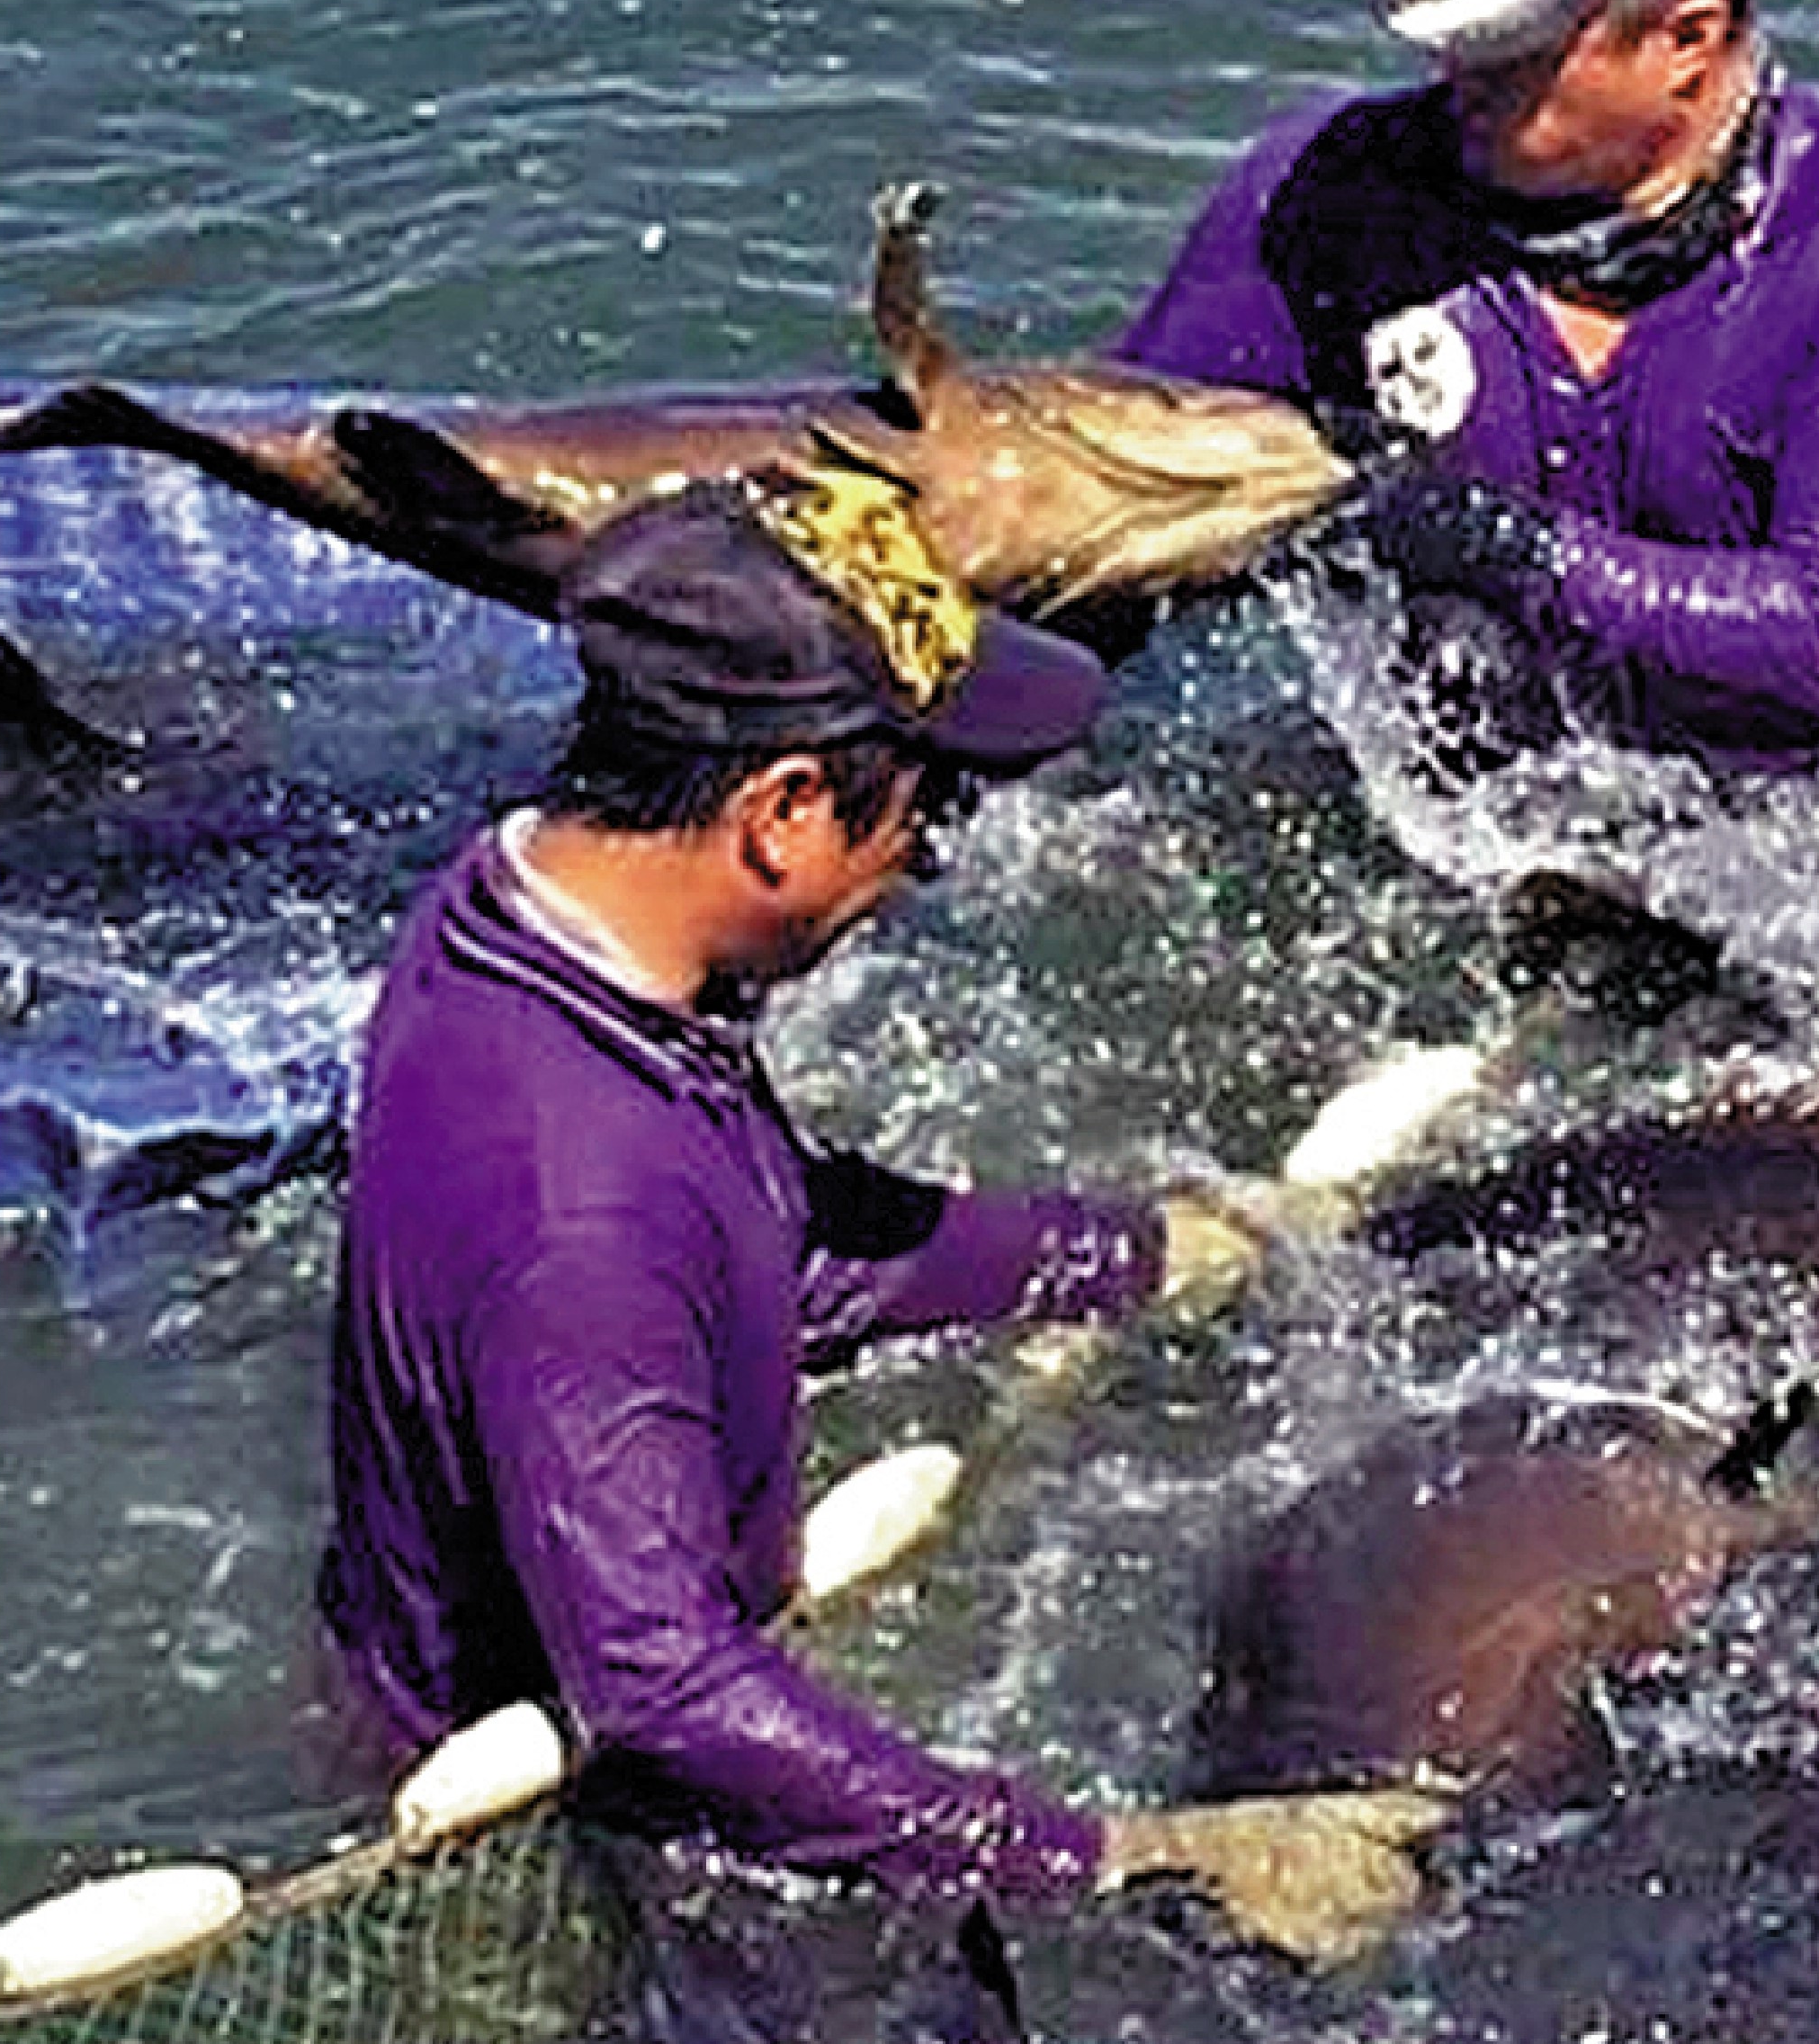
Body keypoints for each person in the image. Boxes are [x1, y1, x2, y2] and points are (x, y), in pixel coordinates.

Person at [315, 463, 1446, 1966]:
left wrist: (1143, 1252)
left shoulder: (517, 915)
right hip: (536, 1802)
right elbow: (661, 1686)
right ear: (780, 814)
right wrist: (1121, 1855)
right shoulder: (582, 1218)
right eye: (926, 808)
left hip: (536, 1633)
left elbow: (776, 1234)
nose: (924, 862)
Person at [1116, 0, 1819, 780]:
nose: (1457, 76)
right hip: (1444, 810)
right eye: (1454, 36)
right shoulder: (1325, 190)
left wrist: (1505, 546)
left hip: (1765, 841)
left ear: (1687, 42)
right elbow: (1127, 478)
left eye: (1511, 50)